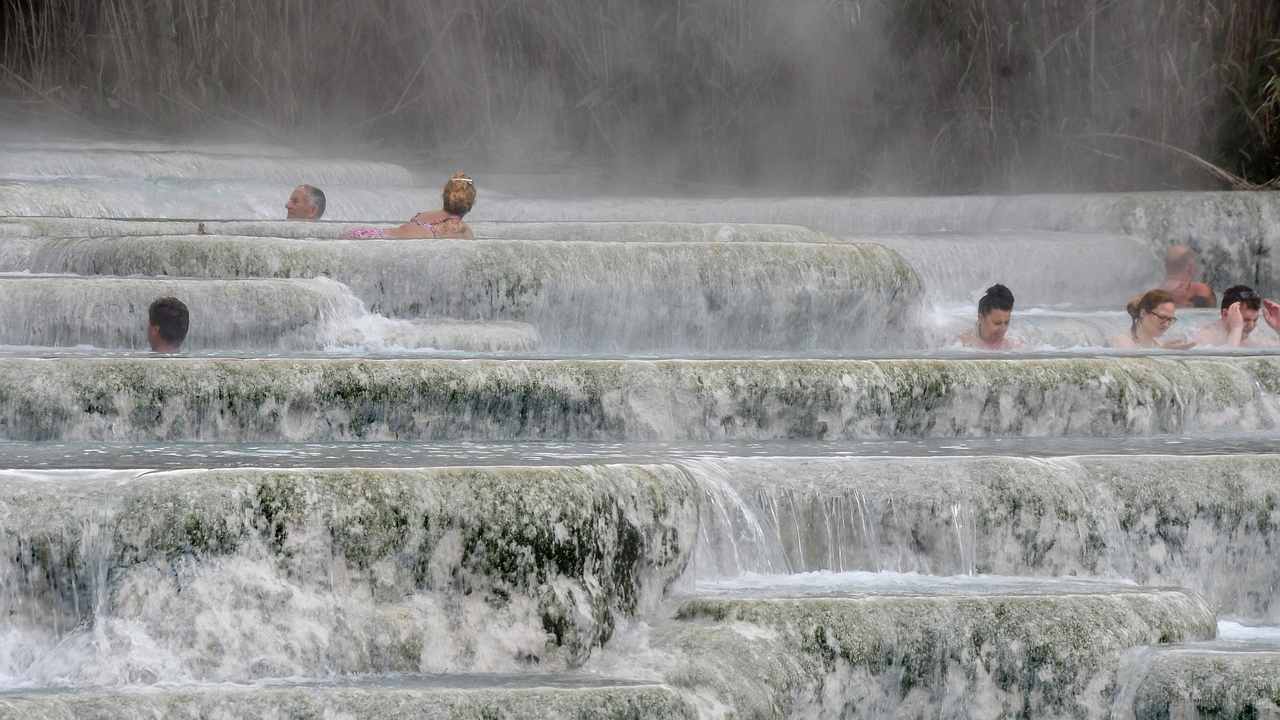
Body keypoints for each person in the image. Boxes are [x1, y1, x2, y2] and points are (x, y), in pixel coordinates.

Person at [384, 173, 476, 239]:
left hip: (382, 234)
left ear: (444, 197)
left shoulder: (420, 216)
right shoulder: (463, 231)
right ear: (471, 203)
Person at [1193, 285, 1280, 347]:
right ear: (1225, 314)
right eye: (1245, 320)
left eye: (1255, 320)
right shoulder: (1206, 336)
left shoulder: (1255, 335)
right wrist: (1236, 328)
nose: (1251, 326)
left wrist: (1278, 328)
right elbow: (1228, 366)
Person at [1111, 289, 1194, 349]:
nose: (1166, 324)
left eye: (1170, 319)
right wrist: (1163, 352)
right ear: (1143, 313)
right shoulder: (1122, 341)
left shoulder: (1158, 344)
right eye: (1162, 317)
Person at [959, 284, 1020, 350]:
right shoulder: (962, 344)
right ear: (981, 318)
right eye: (997, 323)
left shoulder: (1013, 344)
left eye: (1006, 323)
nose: (1003, 329)